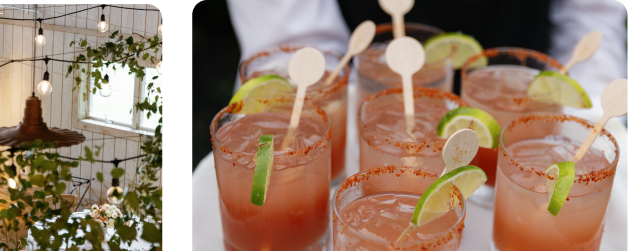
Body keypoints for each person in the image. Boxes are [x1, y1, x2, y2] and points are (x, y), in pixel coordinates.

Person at [225, 0, 628, 104]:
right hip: (356, 102)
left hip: (525, 98)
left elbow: (590, 21)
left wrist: (581, 113)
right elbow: (295, 50)